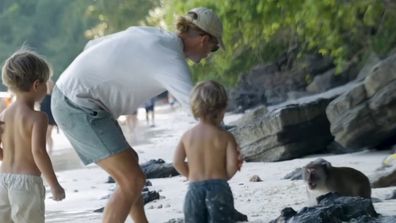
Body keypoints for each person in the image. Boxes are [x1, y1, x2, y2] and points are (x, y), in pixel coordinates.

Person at [51, 7, 224, 223]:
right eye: (214, 47)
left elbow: (93, 45)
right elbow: (199, 109)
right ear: (203, 39)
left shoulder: (154, 35)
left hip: (76, 95)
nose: (210, 54)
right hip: (77, 104)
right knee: (131, 180)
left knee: (131, 167)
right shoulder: (170, 58)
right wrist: (226, 137)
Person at [0, 49, 65, 223]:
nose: (47, 88)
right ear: (37, 85)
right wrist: (55, 186)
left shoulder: (3, 115)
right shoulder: (38, 117)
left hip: (2, 180)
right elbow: (39, 152)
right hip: (26, 184)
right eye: (47, 83)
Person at [173, 80, 241, 223]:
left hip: (194, 189)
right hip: (219, 189)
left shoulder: (187, 136)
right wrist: (223, 178)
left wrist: (191, 175)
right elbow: (232, 166)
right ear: (222, 109)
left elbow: (177, 162)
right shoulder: (226, 137)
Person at [40, 78, 56, 154]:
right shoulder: (42, 96)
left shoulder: (52, 96)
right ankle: (49, 150)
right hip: (45, 117)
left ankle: (49, 151)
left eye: (49, 85)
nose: (48, 86)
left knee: (47, 134)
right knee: (46, 135)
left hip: (50, 117)